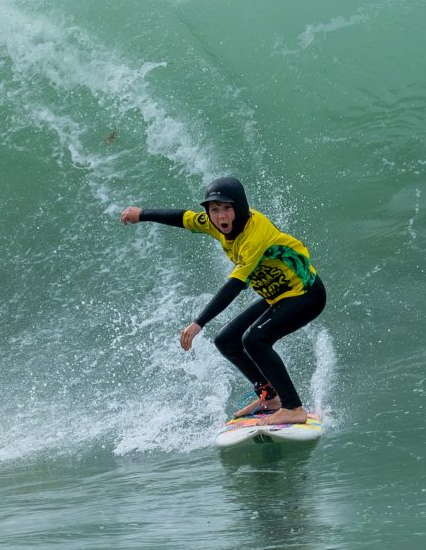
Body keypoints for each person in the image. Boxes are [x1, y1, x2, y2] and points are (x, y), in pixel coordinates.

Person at [119, 176, 324, 425]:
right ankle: (270, 397)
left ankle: (293, 407)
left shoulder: (254, 235)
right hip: (276, 295)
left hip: (304, 292)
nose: (220, 216)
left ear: (240, 208)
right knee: (226, 340)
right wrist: (142, 214)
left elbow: (234, 286)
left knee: (255, 339)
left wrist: (198, 323)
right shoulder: (214, 224)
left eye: (227, 208)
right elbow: (183, 218)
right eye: (214, 210)